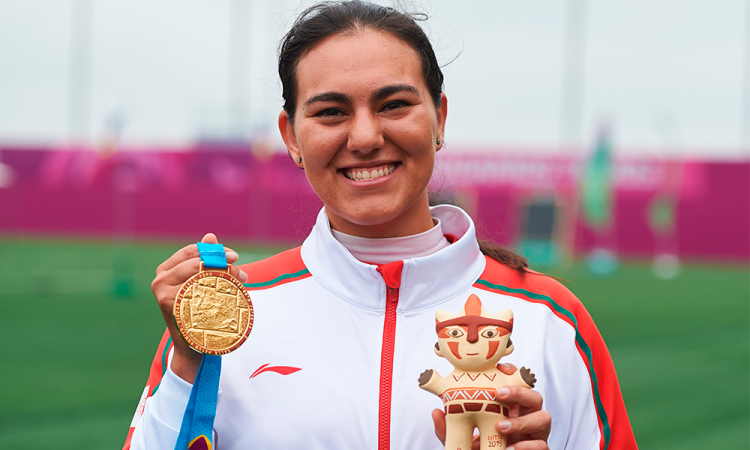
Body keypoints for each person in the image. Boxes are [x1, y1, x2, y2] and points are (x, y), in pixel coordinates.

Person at [123, 2, 637, 449]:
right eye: (331, 112)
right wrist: (187, 365)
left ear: (439, 118)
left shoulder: (550, 320)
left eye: (394, 105)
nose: (366, 137)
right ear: (291, 136)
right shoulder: (224, 319)